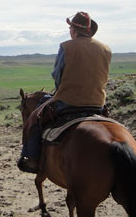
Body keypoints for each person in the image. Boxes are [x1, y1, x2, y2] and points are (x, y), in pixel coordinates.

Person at [18, 11, 112, 173]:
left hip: (68, 100)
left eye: (70, 28)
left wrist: (60, 89)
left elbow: (57, 74)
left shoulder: (66, 46)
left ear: (73, 30)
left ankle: (31, 157)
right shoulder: (105, 49)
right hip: (97, 102)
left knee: (35, 118)